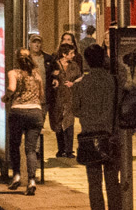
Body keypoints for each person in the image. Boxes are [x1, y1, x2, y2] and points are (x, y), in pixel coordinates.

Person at [75, 42, 121, 210]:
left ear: (86, 61)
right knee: (112, 183)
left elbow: (75, 110)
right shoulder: (113, 81)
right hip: (110, 135)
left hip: (89, 136)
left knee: (94, 185)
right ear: (104, 59)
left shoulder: (80, 84)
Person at [5, 48, 46, 194]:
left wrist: (6, 97)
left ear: (17, 59)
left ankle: (16, 175)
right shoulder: (36, 75)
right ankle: (32, 181)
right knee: (31, 149)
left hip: (18, 111)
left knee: (14, 145)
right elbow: (41, 95)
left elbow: (11, 88)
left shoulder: (14, 73)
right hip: (35, 112)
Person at [48, 33, 82, 159]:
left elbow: (80, 76)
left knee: (69, 122)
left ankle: (69, 150)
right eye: (71, 53)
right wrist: (54, 79)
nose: (73, 55)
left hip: (70, 97)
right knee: (58, 122)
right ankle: (60, 148)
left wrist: (73, 83)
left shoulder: (74, 65)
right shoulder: (55, 64)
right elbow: (49, 76)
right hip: (58, 97)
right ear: (64, 54)